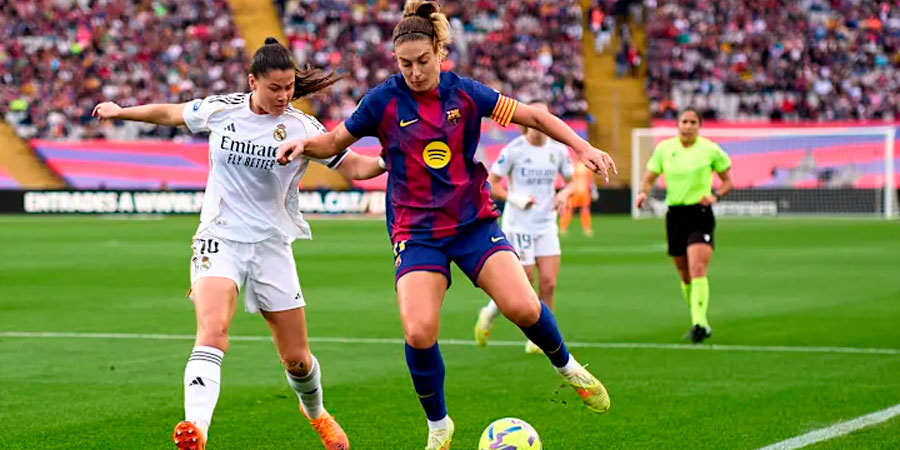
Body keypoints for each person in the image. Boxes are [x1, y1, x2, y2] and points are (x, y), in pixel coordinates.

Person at [275, 2, 615, 449]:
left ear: (439, 52)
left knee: (523, 307)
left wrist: (581, 147)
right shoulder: (382, 100)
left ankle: (569, 368)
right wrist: (304, 145)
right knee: (418, 331)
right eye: (405, 64)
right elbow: (335, 141)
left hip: (472, 223)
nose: (415, 72)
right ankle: (439, 426)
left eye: (423, 61)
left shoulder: (467, 93)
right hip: (416, 234)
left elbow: (534, 116)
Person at [93, 38, 386, 450]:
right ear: (253, 82)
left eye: (289, 87)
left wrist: (388, 159)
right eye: (275, 88)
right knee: (212, 331)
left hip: (271, 245)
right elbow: (172, 113)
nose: (284, 96)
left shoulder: (303, 127)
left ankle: (316, 412)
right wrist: (121, 110)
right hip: (219, 237)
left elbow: (354, 166)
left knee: (297, 359)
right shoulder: (222, 109)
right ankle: (196, 428)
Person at [472, 101, 576, 354]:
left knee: (549, 283)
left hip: (546, 223)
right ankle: (490, 312)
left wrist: (564, 194)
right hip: (519, 225)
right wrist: (514, 198)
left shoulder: (558, 151)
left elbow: (572, 182)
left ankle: (541, 338)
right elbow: (490, 183)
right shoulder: (514, 150)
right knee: (524, 282)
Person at [634, 108, 733, 343]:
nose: (688, 126)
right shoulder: (665, 149)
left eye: (693, 122)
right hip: (675, 215)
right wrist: (642, 193)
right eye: (684, 122)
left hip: (700, 213)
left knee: (697, 267)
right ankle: (698, 319)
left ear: (699, 125)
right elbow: (649, 178)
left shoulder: (710, 149)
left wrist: (716, 195)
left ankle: (700, 324)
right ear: (677, 124)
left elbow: (728, 182)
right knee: (685, 274)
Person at [559, 161, 598, 237]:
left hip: (584, 191)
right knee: (569, 209)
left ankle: (587, 228)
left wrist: (593, 190)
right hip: (574, 191)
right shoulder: (573, 166)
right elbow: (567, 178)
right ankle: (562, 228)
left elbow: (591, 180)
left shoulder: (587, 167)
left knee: (585, 209)